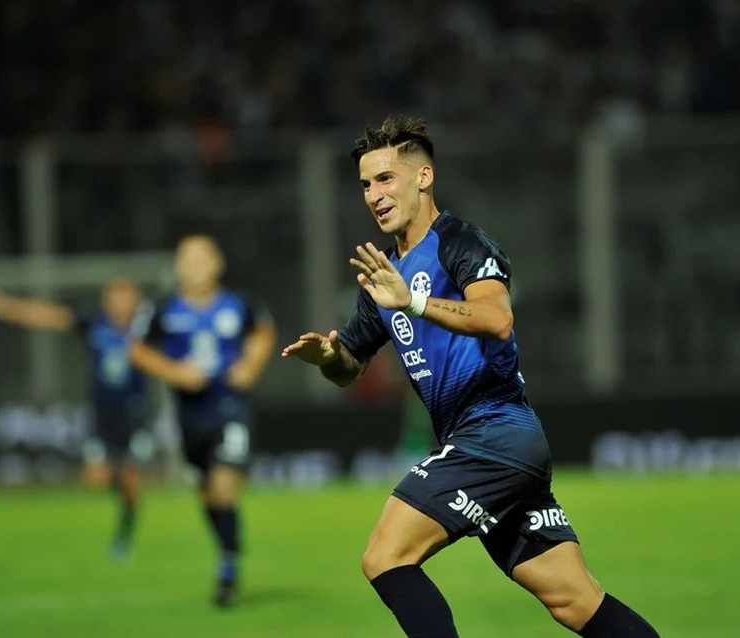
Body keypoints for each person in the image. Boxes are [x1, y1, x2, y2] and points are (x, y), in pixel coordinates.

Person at [282, 115, 660, 638]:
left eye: (386, 178)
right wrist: (327, 356)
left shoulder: (459, 242)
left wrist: (413, 302)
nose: (374, 195)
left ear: (423, 177)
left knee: (386, 557)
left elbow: (497, 318)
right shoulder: (384, 276)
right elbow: (349, 368)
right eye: (366, 184)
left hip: (494, 432)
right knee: (575, 602)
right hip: (493, 445)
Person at [129, 234, 276, 607]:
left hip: (230, 407)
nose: (195, 266)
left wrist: (250, 365)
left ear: (217, 264)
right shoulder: (163, 309)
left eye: (202, 258)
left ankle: (228, 564)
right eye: (188, 259)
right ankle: (227, 546)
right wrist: (174, 372)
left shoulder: (239, 304)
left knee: (225, 484)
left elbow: (263, 333)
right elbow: (138, 350)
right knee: (208, 492)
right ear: (178, 267)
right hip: (190, 414)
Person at [0, 278, 152, 560]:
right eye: (115, 297)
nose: (121, 304)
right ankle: (117, 483)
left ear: (136, 301)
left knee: (131, 480)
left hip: (136, 416)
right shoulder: (94, 326)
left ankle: (124, 536)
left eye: (126, 297)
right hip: (102, 416)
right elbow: (49, 317)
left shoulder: (146, 328)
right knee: (97, 478)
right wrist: (6, 307)